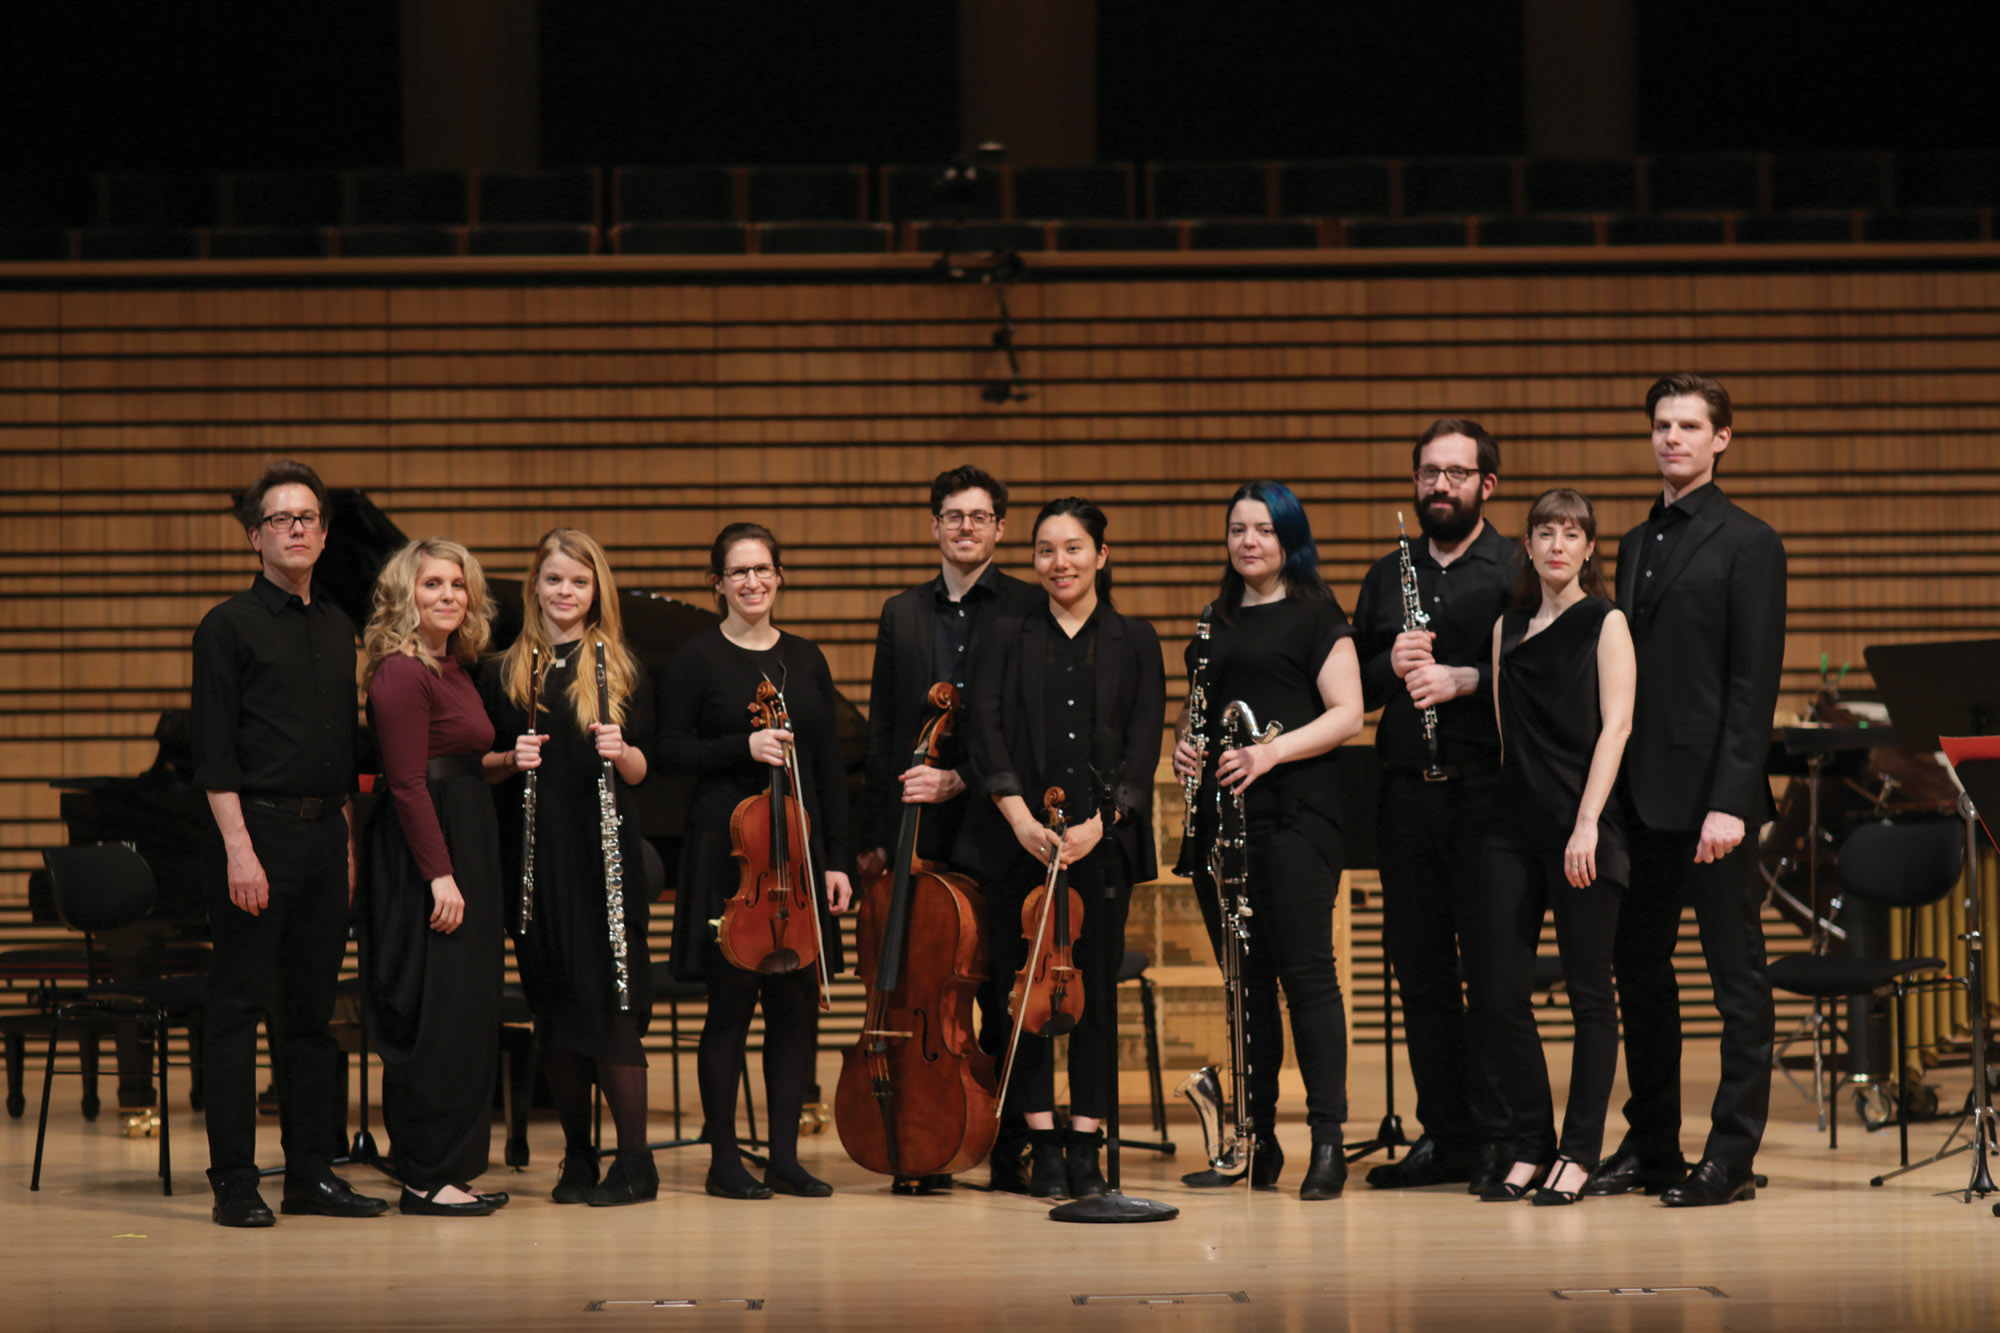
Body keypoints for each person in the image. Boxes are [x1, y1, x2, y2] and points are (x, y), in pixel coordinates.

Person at [1589, 374, 1788, 1207]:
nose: (1672, 437)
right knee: (1640, 970)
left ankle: (1733, 1153)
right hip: (1641, 797)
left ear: (1722, 439)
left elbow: (1753, 683)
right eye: (1662, 425)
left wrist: (1730, 801)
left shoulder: (1750, 541)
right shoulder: (1633, 541)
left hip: (1714, 802)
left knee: (1735, 975)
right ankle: (1654, 1142)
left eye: (1689, 426)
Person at [191, 460, 386, 1228]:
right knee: (239, 1008)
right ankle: (236, 1180)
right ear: (254, 537)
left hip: (320, 835)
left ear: (325, 533)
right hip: (254, 831)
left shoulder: (340, 627)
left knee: (311, 1016)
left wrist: (342, 834)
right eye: (281, 519)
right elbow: (213, 749)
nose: (296, 529)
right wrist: (240, 847)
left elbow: (339, 748)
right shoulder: (226, 626)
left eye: (308, 518)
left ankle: (310, 1173)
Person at [957, 497, 1165, 1201]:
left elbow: (1143, 744)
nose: (1059, 562)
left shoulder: (1136, 638)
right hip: (1021, 844)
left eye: (1074, 548)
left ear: (1101, 555)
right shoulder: (1005, 633)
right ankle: (1042, 1144)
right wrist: (1018, 815)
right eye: (1046, 550)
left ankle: (1087, 1143)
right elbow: (984, 731)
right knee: (1027, 999)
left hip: (1099, 849)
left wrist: (1102, 822)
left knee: (1094, 999)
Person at [1168, 481, 1363, 1201]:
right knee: (1245, 989)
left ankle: (1328, 1141)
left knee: (1307, 979)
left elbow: (1347, 714)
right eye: (1237, 529)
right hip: (1228, 831)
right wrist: (1185, 744)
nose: (1249, 541)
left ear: (1289, 538)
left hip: (1296, 819)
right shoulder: (1213, 623)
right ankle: (1259, 1141)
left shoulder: (1317, 614)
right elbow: (1199, 719)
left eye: (1264, 529)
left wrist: (1268, 754)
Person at [656, 522, 854, 1200]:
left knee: (797, 1005)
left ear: (779, 576)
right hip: (728, 855)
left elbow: (829, 767)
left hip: (799, 856)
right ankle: (723, 1161)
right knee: (730, 1007)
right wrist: (741, 747)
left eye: (762, 569)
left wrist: (839, 863)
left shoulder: (806, 658)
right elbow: (668, 753)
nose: (751, 582)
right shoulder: (695, 660)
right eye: (737, 571)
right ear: (718, 583)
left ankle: (785, 1157)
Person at [1351, 419, 1519, 1192]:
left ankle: (1495, 1138)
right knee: (1419, 974)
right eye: (1428, 472)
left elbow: (1556, 677)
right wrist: (1388, 663)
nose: (1439, 486)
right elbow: (1351, 689)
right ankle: (1443, 1134)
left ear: (1487, 483)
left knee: (1488, 975)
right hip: (1403, 796)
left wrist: (1468, 680)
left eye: (1456, 473)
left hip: (1487, 796)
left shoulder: (1517, 567)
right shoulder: (1389, 575)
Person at [859, 464, 1038, 1193]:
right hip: (919, 826)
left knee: (997, 987)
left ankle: (1014, 1139)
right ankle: (926, 1136)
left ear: (1000, 528)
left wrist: (962, 776)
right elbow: (882, 732)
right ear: (934, 526)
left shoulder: (1028, 605)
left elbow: (1025, 728)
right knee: (926, 983)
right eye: (953, 516)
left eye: (980, 516)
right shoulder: (901, 613)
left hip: (1000, 821)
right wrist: (875, 834)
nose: (966, 528)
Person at [481, 529, 656, 1206]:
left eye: (578, 582)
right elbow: (483, 767)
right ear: (535, 588)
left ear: (596, 591)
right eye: (554, 579)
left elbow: (648, 770)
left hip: (602, 869)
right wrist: (506, 760)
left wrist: (624, 750)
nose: (565, 592)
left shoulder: (622, 666)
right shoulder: (505, 669)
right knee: (553, 1012)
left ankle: (635, 1164)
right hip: (534, 866)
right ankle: (578, 1160)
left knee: (608, 1008)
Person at [1476, 489, 1635, 1206]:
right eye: (1545, 533)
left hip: (1583, 828)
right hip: (1511, 828)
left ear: (1589, 547)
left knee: (1589, 993)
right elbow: (1510, 731)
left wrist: (1587, 823)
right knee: (1500, 989)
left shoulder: (1606, 622)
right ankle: (1531, 1143)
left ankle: (1578, 1151)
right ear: (1530, 545)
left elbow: (1617, 727)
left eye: (1572, 533)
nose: (1557, 545)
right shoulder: (1506, 626)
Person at [358, 537, 507, 1216]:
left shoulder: (453, 666)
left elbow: (458, 763)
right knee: (432, 1014)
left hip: (465, 837)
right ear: (404, 596)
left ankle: (450, 1166)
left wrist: (507, 761)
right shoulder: (400, 671)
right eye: (432, 585)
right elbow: (409, 783)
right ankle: (423, 1176)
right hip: (428, 856)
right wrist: (439, 876)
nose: (448, 595)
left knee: (465, 1011)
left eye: (457, 584)